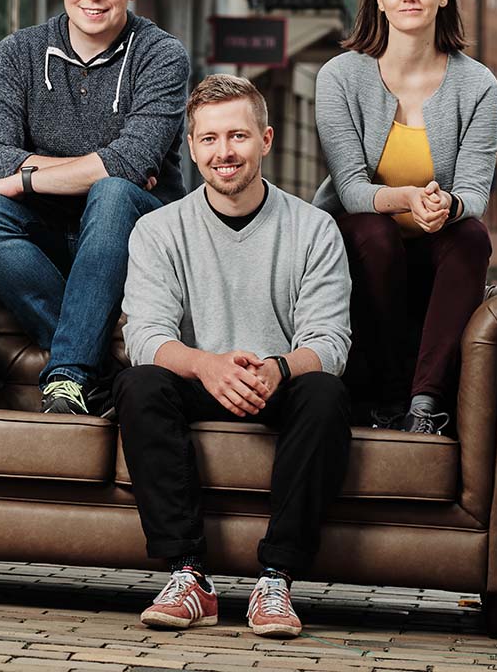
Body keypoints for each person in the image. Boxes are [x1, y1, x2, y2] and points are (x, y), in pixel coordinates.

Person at [115, 75, 352, 639]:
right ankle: (189, 575)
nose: (225, 152)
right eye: (211, 139)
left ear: (266, 140)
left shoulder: (315, 229)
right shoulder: (158, 230)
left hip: (279, 381)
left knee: (326, 393)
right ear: (192, 147)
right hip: (199, 378)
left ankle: (276, 579)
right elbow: (144, 335)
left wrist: (277, 368)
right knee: (139, 384)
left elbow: (330, 343)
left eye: (239, 136)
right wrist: (206, 365)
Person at [0, 0, 190, 416]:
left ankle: (68, 375)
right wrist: (94, 165)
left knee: (114, 193)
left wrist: (25, 177)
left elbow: (131, 164)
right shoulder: (18, 52)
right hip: (50, 231)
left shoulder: (163, 55)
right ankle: (96, 362)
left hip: (134, 233)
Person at [314, 0, 497, 435]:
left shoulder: (478, 84)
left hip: (438, 239)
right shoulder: (339, 76)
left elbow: (476, 194)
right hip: (366, 243)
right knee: (373, 230)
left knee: (473, 238)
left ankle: (424, 404)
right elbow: (351, 189)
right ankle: (387, 394)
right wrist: (407, 199)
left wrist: (447, 205)